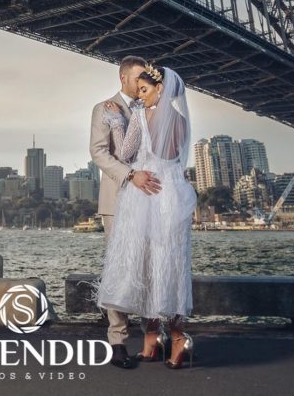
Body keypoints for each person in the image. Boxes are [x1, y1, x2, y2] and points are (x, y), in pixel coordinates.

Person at [95, 61, 197, 369]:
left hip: (150, 196)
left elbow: (130, 154)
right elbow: (170, 158)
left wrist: (121, 122)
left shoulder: (144, 115)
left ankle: (167, 337)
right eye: (137, 88)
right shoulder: (178, 119)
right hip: (166, 195)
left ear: (159, 88)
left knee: (148, 265)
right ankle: (162, 338)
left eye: (144, 89)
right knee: (162, 267)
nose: (140, 95)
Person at [89, 56, 163, 369]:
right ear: (123, 78)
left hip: (149, 198)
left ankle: (152, 337)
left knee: (149, 265)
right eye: (137, 77)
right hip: (117, 199)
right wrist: (131, 175)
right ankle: (117, 341)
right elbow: (98, 152)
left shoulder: (152, 107)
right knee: (118, 268)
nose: (142, 82)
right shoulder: (103, 109)